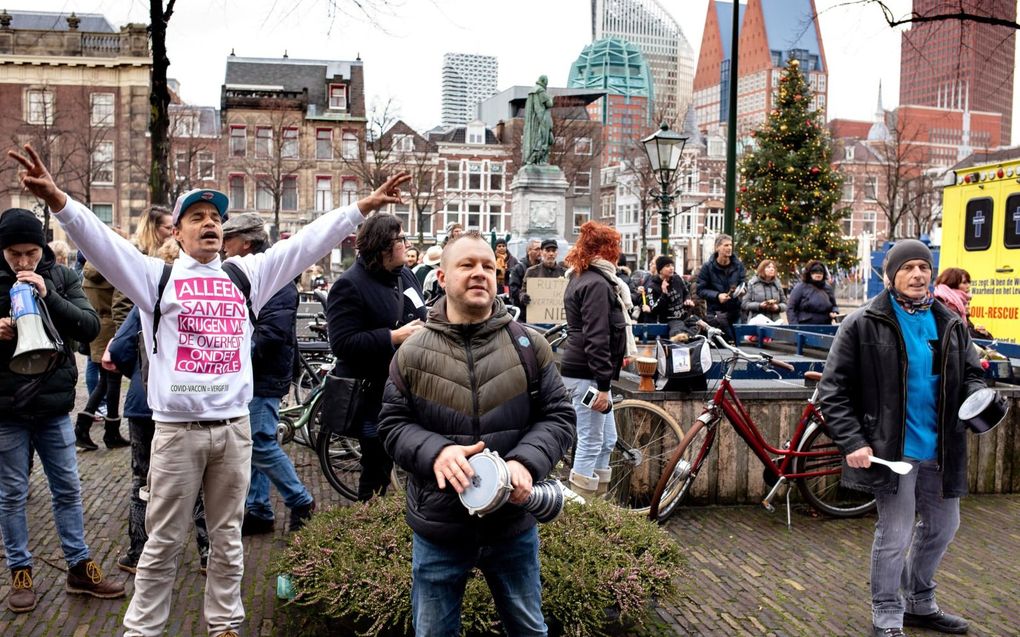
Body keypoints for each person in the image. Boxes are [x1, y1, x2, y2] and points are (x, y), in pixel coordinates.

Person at [9, 143, 409, 637]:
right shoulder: (156, 278)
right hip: (177, 434)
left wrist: (361, 208)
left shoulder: (248, 276)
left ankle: (224, 624)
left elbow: (306, 242)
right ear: (176, 233)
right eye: (196, 216)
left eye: (215, 216)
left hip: (234, 432)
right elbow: (103, 243)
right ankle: (143, 629)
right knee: (162, 542)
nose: (209, 223)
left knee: (226, 540)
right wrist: (58, 201)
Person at [378, 232, 574, 635]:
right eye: (467, 265)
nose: (480, 273)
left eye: (488, 265)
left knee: (529, 629)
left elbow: (558, 416)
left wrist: (525, 462)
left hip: (512, 525)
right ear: (442, 276)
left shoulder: (528, 345)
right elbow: (393, 426)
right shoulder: (411, 353)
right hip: (440, 526)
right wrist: (436, 453)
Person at [818, 240, 985, 637]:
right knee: (895, 533)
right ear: (890, 274)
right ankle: (887, 611)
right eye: (907, 267)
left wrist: (977, 395)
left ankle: (919, 601)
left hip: (941, 448)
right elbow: (833, 391)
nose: (917, 275)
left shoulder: (950, 322)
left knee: (944, 526)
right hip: (891, 451)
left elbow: (972, 371)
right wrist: (854, 441)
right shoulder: (862, 323)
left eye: (924, 267)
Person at [0, 208, 125, 613]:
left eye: (31, 252)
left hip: (53, 406)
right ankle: (20, 570)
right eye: (14, 254)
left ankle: (78, 566)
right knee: (13, 494)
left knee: (68, 489)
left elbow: (88, 327)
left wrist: (47, 295)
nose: (23, 262)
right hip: (7, 409)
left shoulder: (62, 276)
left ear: (42, 247)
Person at [105, 239, 210, 576]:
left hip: (143, 404)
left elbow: (117, 350)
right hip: (185, 404)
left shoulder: (145, 299)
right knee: (198, 480)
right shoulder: (199, 297)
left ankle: (138, 551)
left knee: (143, 478)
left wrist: (139, 373)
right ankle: (207, 550)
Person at [220, 213, 315, 535]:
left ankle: (300, 499)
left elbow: (270, 333)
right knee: (253, 442)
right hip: (256, 373)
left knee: (260, 442)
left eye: (228, 240)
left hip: (263, 375)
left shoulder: (274, 279)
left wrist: (230, 358)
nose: (223, 248)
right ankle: (258, 509)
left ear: (246, 243)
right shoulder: (255, 274)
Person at [326, 214, 427, 501]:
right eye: (401, 240)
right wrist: (393, 337)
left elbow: (418, 309)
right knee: (377, 467)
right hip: (374, 396)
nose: (407, 246)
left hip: (408, 388)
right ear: (383, 246)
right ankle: (368, 524)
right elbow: (342, 344)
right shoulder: (349, 285)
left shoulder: (404, 274)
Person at [558, 222, 634, 498]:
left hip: (584, 371)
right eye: (616, 246)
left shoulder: (581, 277)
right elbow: (597, 336)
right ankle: (582, 507)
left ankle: (598, 502)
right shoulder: (597, 284)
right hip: (588, 374)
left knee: (607, 439)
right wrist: (603, 384)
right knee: (591, 441)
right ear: (606, 249)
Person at [74, 259, 131, 450]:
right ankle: (108, 432)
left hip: (96, 326)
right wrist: (121, 337)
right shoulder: (113, 270)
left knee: (105, 381)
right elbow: (121, 306)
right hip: (110, 329)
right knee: (111, 380)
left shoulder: (89, 270)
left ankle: (88, 428)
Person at [696, 234, 746, 341]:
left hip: (735, 312)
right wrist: (717, 296)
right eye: (726, 245)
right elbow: (700, 290)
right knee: (720, 346)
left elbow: (743, 283)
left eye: (730, 245)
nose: (729, 248)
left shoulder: (738, 265)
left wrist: (742, 290)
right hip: (715, 314)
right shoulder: (707, 267)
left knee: (738, 344)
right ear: (717, 247)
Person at [933, 267, 992, 339]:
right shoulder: (944, 306)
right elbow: (958, 337)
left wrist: (983, 334)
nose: (968, 286)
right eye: (964, 283)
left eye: (969, 282)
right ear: (952, 283)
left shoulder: (958, 304)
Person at [649, 255, 699, 339]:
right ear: (660, 270)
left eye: (672, 265)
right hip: (669, 319)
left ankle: (687, 338)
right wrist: (664, 294)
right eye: (667, 266)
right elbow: (653, 310)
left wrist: (687, 300)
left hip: (685, 316)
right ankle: (682, 340)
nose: (671, 268)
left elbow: (686, 293)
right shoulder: (652, 287)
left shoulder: (677, 278)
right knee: (677, 328)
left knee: (699, 324)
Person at [520, 238, 567, 320]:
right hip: (537, 318)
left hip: (557, 319)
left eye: (553, 250)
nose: (551, 253)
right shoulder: (531, 271)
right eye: (548, 250)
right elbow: (523, 291)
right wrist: (523, 297)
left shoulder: (564, 272)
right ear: (541, 252)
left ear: (557, 253)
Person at [787, 260, 838, 325]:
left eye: (821, 272)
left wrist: (834, 311)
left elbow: (834, 305)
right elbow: (791, 308)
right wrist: (794, 326)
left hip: (825, 325)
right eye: (815, 272)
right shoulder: (800, 287)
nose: (818, 275)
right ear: (809, 273)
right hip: (805, 325)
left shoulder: (828, 288)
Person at [742, 258, 787, 323]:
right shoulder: (753, 283)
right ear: (762, 269)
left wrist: (778, 307)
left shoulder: (777, 284)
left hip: (775, 321)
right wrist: (759, 305)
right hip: (757, 321)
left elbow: (785, 304)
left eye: (773, 268)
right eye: (768, 267)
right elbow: (745, 304)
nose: (772, 269)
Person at [522, 74, 554, 165]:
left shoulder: (532, 92)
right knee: (543, 140)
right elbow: (549, 104)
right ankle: (539, 160)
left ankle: (536, 160)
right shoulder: (540, 91)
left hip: (533, 120)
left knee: (541, 140)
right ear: (544, 82)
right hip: (541, 119)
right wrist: (551, 98)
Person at [508, 238, 541, 310]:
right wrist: (522, 296)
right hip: (523, 310)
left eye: (541, 249)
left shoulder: (544, 268)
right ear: (529, 251)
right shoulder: (518, 268)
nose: (540, 252)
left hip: (540, 309)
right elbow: (513, 289)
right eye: (537, 249)